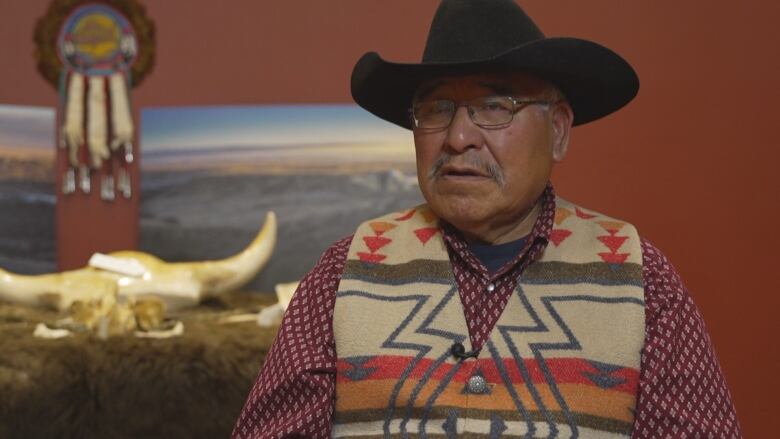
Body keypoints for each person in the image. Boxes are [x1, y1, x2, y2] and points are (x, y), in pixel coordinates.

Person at [233, 0, 741, 437]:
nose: (457, 137)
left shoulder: (643, 283)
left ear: (559, 130)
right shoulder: (342, 274)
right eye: (436, 109)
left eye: (494, 105)